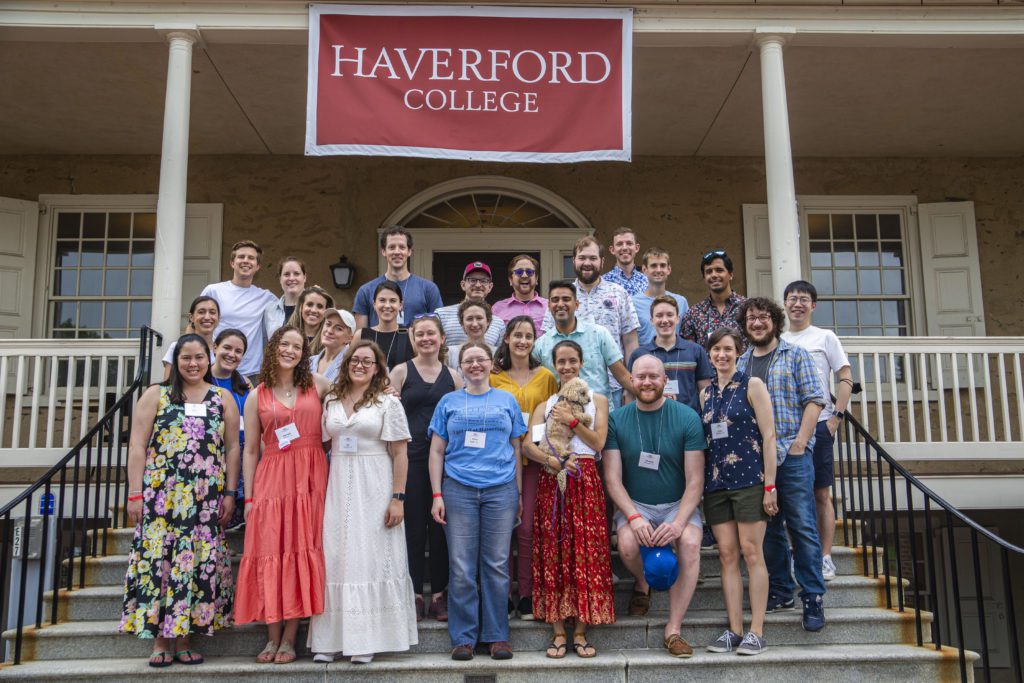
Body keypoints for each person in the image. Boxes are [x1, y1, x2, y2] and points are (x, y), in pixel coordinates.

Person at [120, 334, 240, 667]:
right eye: (186, 358)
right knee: (160, 565)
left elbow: (232, 448)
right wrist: (134, 493)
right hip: (161, 500)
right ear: (176, 360)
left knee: (195, 564)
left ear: (209, 358)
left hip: (204, 501)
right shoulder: (155, 394)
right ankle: (160, 641)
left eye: (199, 357)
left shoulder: (222, 397)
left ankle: (185, 638)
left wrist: (230, 493)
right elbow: (137, 446)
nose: (193, 364)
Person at [309, 340, 419, 664]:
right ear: (345, 364)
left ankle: (366, 639)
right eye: (355, 360)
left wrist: (397, 498)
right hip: (339, 481)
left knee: (370, 557)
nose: (360, 365)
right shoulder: (330, 399)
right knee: (338, 555)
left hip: (376, 482)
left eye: (367, 361)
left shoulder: (387, 402)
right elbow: (323, 443)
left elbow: (400, 453)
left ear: (377, 368)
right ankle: (330, 640)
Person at [234, 326, 333, 664]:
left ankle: (290, 638)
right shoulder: (256, 394)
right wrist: (248, 498)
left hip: (310, 476)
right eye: (285, 344)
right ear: (273, 348)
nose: (291, 350)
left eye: (298, 346)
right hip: (272, 477)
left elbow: (353, 404)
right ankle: (271, 636)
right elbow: (249, 451)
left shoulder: (319, 385)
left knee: (301, 549)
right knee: (272, 551)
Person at [428, 342, 527, 662]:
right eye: (468, 360)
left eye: (480, 359)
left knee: (497, 566)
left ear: (490, 363)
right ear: (460, 366)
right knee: (461, 567)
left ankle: (497, 636)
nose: (474, 365)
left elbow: (517, 448)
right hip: (458, 490)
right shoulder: (448, 401)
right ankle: (464, 637)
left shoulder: (507, 400)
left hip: (500, 490)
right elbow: (436, 451)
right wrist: (437, 494)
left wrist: (519, 493)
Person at [603, 355, 706, 658]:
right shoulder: (616, 419)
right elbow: (612, 479)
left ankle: (673, 629)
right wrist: (633, 517)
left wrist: (677, 523)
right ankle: (643, 580)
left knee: (688, 543)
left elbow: (695, 481)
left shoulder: (687, 417)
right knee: (627, 546)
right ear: (631, 381)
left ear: (664, 380)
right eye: (641, 377)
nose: (647, 382)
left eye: (653, 377)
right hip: (636, 504)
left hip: (677, 504)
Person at [736, 297, 827, 632]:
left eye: (762, 317)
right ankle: (781, 590)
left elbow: (815, 400)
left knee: (802, 525)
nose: (757, 323)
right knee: (769, 529)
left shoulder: (795, 355)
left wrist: (801, 443)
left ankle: (813, 596)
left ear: (774, 320)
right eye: (750, 319)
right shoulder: (742, 362)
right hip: (756, 461)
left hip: (791, 455)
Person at [525, 340, 613, 659]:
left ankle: (581, 631)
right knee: (556, 550)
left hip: (585, 477)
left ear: (581, 362)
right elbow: (528, 446)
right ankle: (558, 631)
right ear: (554, 365)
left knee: (584, 552)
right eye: (560, 361)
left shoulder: (597, 401)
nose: (566, 366)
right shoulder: (545, 404)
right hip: (555, 478)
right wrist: (551, 461)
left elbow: (599, 441)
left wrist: (573, 420)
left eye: (572, 361)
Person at [700, 328, 778, 656]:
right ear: (709, 354)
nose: (722, 355)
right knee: (727, 555)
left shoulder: (752, 385)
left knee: (751, 552)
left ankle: (756, 631)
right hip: (716, 484)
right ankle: (734, 629)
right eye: (716, 349)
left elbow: (770, 435)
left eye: (728, 349)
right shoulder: (706, 394)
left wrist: (770, 485)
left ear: (738, 351)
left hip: (750, 480)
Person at [390, 315, 463, 623]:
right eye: (419, 334)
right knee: (414, 530)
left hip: (446, 463)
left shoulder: (454, 376)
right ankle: (416, 594)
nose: (425, 339)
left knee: (441, 530)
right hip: (410, 459)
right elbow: (388, 413)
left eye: (431, 334)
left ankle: (441, 596)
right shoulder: (401, 372)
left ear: (442, 338)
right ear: (412, 339)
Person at [781, 280, 853, 582]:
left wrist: (836, 416)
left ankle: (824, 556)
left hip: (820, 424)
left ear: (813, 305)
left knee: (820, 493)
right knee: (791, 494)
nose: (797, 303)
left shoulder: (825, 337)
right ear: (784, 304)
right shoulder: (778, 339)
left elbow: (845, 377)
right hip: (786, 427)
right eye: (792, 298)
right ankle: (797, 553)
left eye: (804, 299)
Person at [489, 315, 559, 621]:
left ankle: (528, 594)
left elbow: (553, 418)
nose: (522, 341)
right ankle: (503, 593)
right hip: (499, 459)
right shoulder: (494, 377)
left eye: (528, 336)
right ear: (506, 338)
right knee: (503, 529)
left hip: (534, 461)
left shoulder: (545, 377)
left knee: (528, 527)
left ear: (534, 341)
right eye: (517, 335)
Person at [541, 237, 639, 406]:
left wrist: (630, 388)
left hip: (614, 388)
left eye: (593, 258)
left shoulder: (618, 293)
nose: (587, 263)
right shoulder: (562, 299)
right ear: (574, 261)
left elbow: (630, 342)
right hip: (567, 389)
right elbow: (548, 343)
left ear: (602, 262)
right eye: (582, 258)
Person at [534, 280, 636, 400]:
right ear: (549, 305)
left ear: (577, 304)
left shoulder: (599, 334)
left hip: (600, 414)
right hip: (560, 414)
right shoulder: (541, 345)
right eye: (555, 300)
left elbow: (623, 376)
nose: (560, 304)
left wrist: (650, 397)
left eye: (566, 299)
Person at [201, 240, 278, 377]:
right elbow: (194, 325)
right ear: (232, 263)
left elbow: (290, 307)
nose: (246, 261)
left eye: (251, 258)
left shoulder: (266, 297)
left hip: (251, 372)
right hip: (216, 368)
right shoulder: (214, 291)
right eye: (241, 257)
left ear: (257, 266)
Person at [627, 295, 713, 414]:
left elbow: (706, 392)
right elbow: (631, 393)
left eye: (669, 315)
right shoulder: (639, 355)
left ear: (678, 318)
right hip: (650, 418)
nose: (665, 320)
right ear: (651, 320)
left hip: (688, 420)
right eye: (659, 315)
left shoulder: (695, 351)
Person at [353, 226, 443, 328]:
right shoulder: (366, 290)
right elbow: (361, 336)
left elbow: (437, 330)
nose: (397, 252)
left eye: (402, 247)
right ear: (383, 251)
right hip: (377, 343)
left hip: (414, 344)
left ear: (409, 251)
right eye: (391, 247)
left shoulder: (428, 289)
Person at [210, 328, 252, 529]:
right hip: (213, 451)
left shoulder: (244, 383)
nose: (232, 354)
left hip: (241, 448)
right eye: (227, 347)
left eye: (238, 351)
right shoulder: (201, 379)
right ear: (214, 347)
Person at [680, 249, 746, 346]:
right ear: (704, 278)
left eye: (719, 270)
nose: (714, 275)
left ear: (731, 275)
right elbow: (688, 351)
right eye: (709, 272)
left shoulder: (747, 308)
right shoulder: (694, 314)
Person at [435, 261, 507, 350]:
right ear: (463, 285)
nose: (478, 285)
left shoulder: (498, 323)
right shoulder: (441, 314)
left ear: (490, 287)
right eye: (472, 280)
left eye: (484, 281)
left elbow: (499, 357)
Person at [631, 247, 689, 346]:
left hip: (676, 360)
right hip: (645, 359)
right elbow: (630, 341)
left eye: (662, 265)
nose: (658, 270)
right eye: (653, 266)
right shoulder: (633, 303)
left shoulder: (681, 302)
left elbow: (687, 337)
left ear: (669, 269)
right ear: (644, 269)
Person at [353, 281, 414, 371]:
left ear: (401, 305)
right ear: (374, 304)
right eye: (382, 300)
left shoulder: (410, 334)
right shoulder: (361, 335)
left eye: (393, 301)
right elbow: (351, 367)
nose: (387, 305)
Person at [161, 296, 219, 379]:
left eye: (212, 312)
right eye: (201, 312)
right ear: (191, 317)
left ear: (218, 318)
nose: (207, 317)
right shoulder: (176, 347)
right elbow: (167, 385)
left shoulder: (222, 350)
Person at [492, 254, 547, 331]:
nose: (524, 275)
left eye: (529, 271)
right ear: (510, 279)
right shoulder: (497, 309)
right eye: (519, 272)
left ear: (536, 278)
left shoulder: (549, 307)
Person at [261, 257, 308, 339]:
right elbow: (266, 345)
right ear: (280, 279)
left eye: (296, 273)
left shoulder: (315, 307)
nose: (291, 278)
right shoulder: (270, 310)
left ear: (304, 277)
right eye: (286, 274)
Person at [309, 307, 356, 382]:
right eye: (328, 324)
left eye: (338, 328)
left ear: (350, 338)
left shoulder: (352, 365)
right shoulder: (309, 361)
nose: (330, 331)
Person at [286, 285, 335, 356]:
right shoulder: (284, 334)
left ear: (326, 311)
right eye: (309, 304)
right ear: (301, 307)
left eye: (320, 306)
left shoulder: (329, 342)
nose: (314, 310)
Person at [448, 300, 496, 370]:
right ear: (462, 324)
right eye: (469, 319)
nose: (475, 324)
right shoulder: (450, 353)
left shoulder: (498, 353)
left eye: (479, 318)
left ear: (488, 321)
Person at [602, 226, 649, 296]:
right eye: (619, 244)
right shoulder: (603, 282)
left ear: (636, 248)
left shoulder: (647, 282)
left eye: (629, 243)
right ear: (612, 250)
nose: (624, 248)